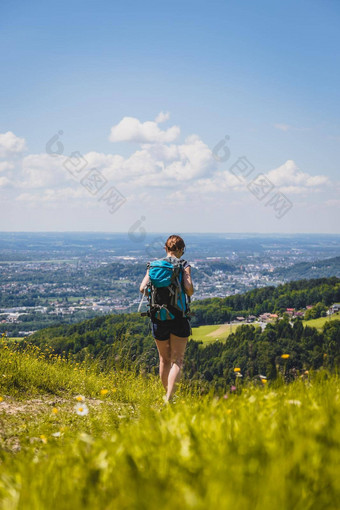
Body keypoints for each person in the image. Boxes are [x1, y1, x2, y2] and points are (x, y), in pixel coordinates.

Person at [139, 235, 194, 402]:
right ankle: (170, 397)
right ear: (180, 250)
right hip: (178, 316)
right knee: (177, 360)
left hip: (157, 316)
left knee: (164, 359)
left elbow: (142, 288)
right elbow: (189, 289)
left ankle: (167, 395)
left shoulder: (154, 265)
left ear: (165, 249)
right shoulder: (183, 265)